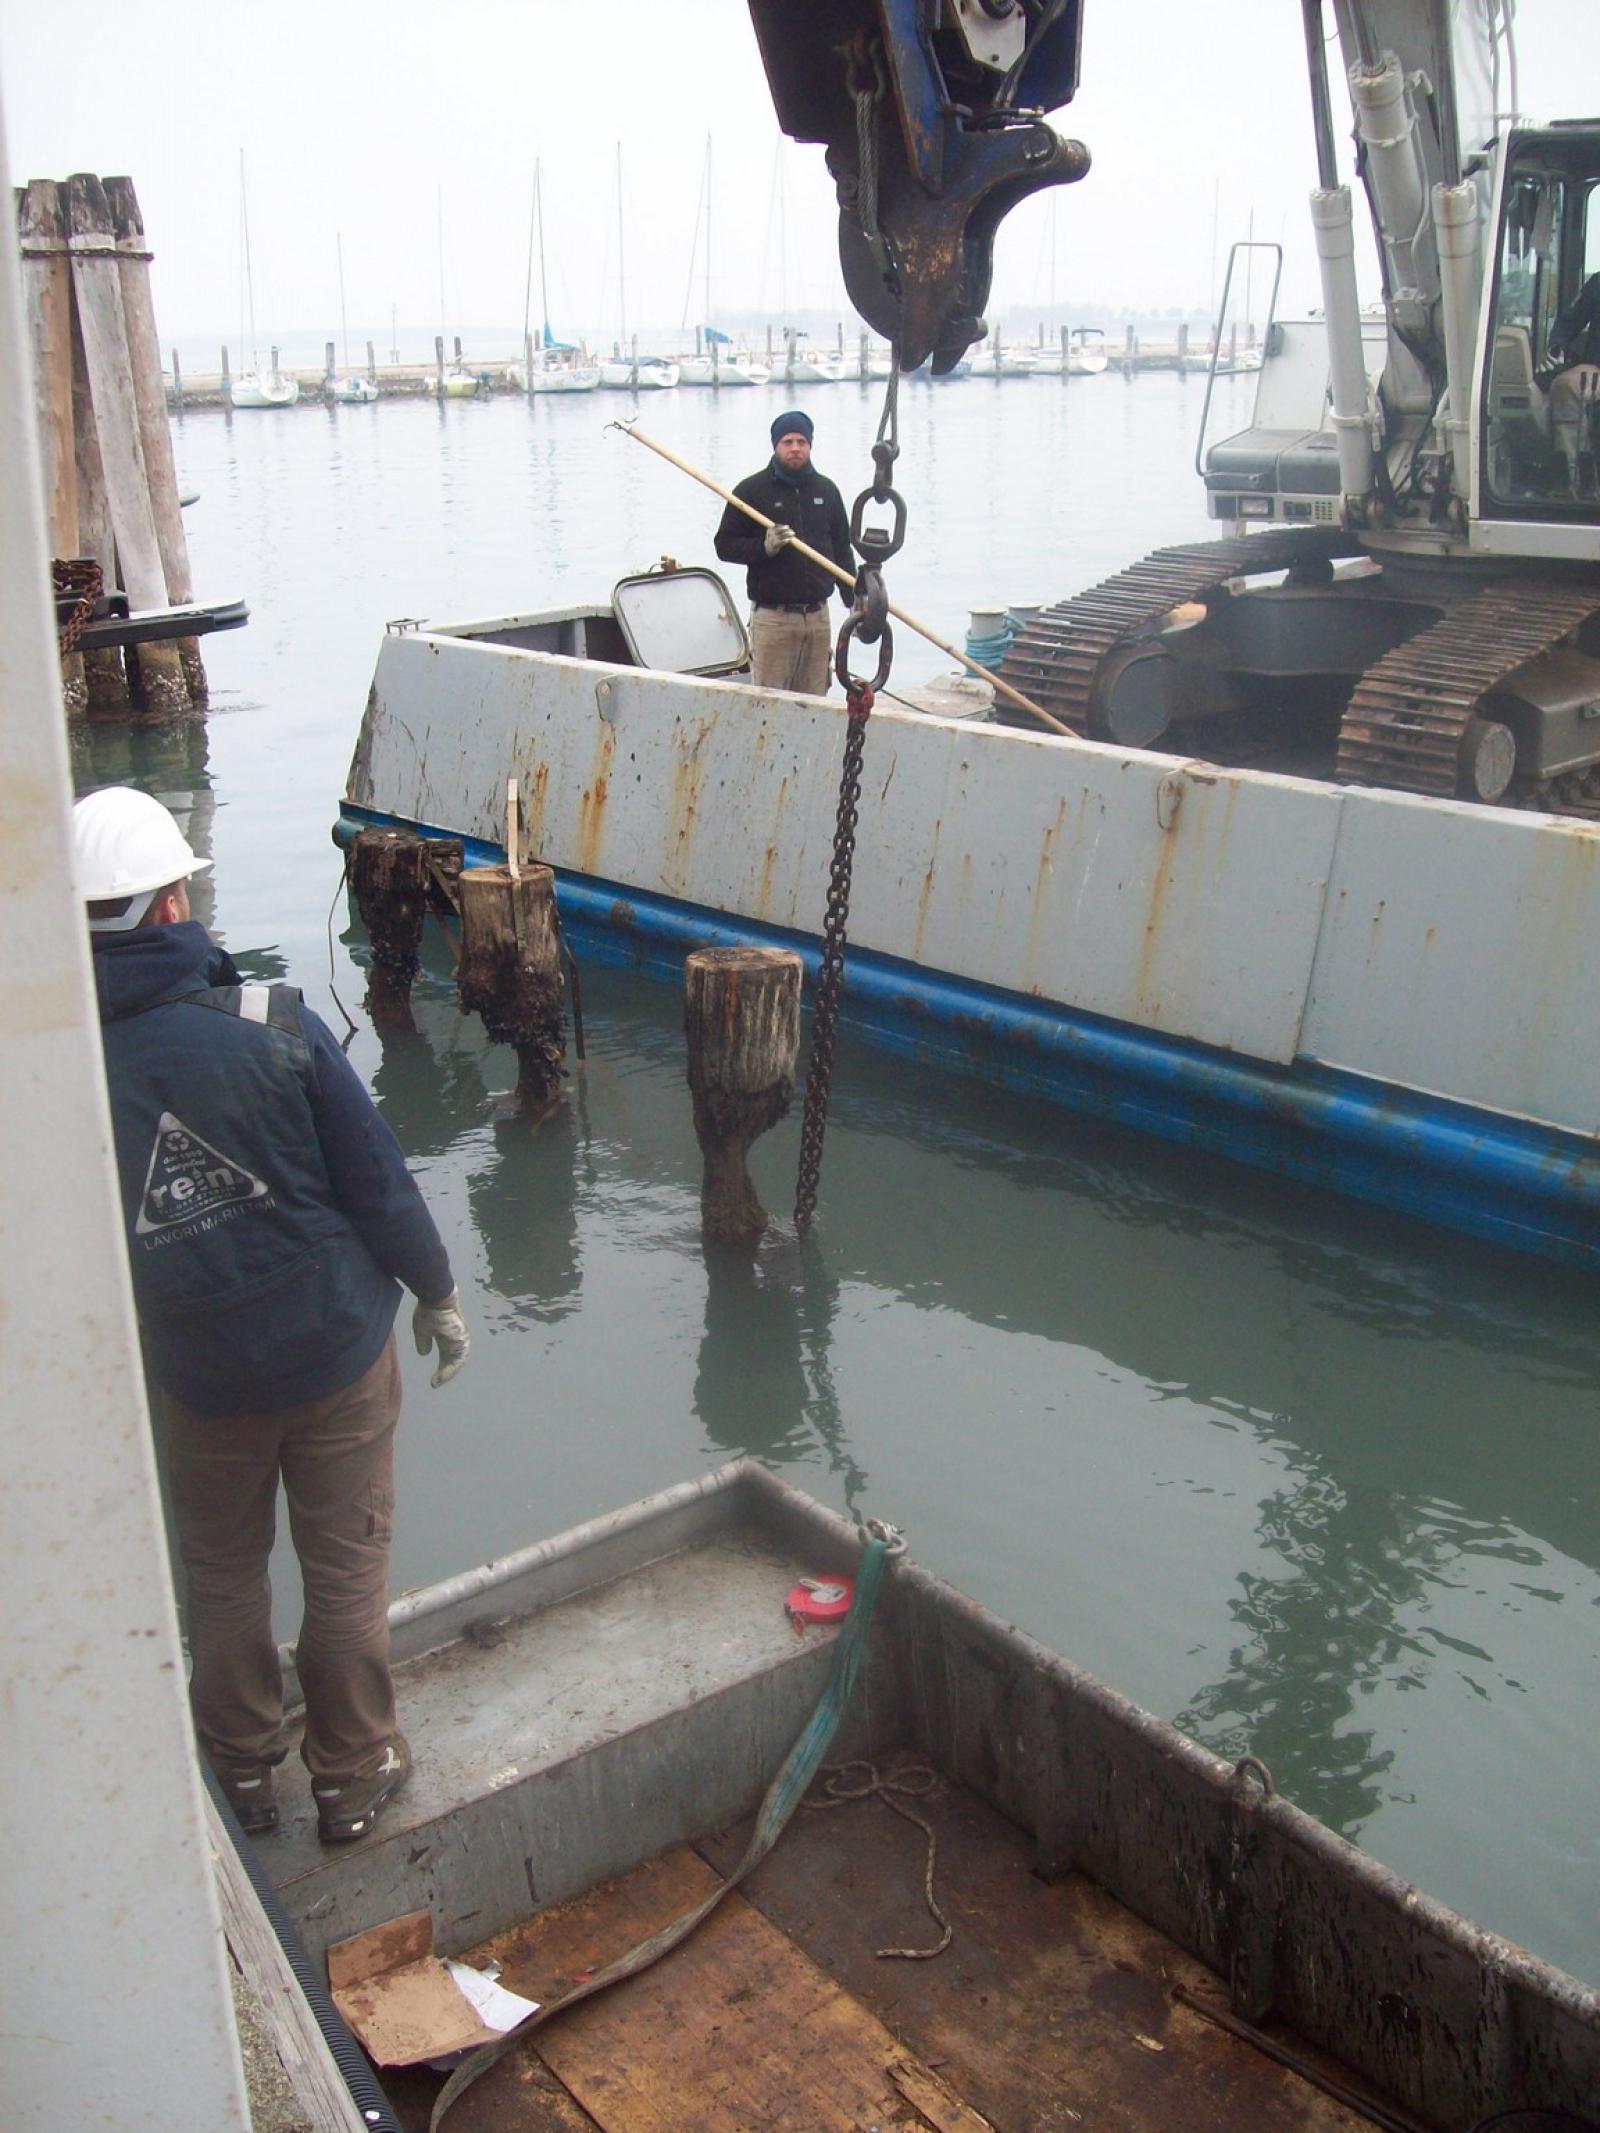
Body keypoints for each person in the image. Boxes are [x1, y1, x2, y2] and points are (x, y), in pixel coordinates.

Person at [73, 786, 470, 1845]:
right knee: (344, 1570)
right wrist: (435, 1291)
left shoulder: (61, 1078)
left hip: (199, 1379)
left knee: (220, 1572)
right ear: (171, 906)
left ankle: (240, 1777)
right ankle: (351, 1773)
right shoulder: (275, 1026)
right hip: (334, 1352)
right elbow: (378, 1181)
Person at [714, 408, 856, 695]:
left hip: (817, 619)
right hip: (774, 619)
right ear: (775, 446)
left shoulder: (826, 491)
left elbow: (842, 548)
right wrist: (763, 547)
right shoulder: (751, 491)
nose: (795, 449)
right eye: (787, 442)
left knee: (815, 701)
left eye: (801, 442)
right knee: (770, 703)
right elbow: (724, 545)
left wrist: (854, 599)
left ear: (810, 446)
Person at [1545, 272, 1600, 489]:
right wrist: (1557, 345)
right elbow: (1569, 320)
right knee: (1564, 386)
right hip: (1597, 368)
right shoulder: (1598, 284)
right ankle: (1577, 476)